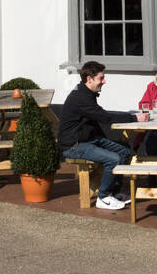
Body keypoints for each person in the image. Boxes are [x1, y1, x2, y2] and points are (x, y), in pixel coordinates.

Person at [57, 61, 146, 210]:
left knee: (123, 151)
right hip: (73, 145)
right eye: (101, 78)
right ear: (89, 79)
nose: (104, 81)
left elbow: (96, 120)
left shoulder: (86, 93)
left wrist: (105, 141)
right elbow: (105, 117)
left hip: (88, 139)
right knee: (114, 159)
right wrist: (134, 118)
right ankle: (103, 197)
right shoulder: (81, 98)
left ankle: (113, 193)